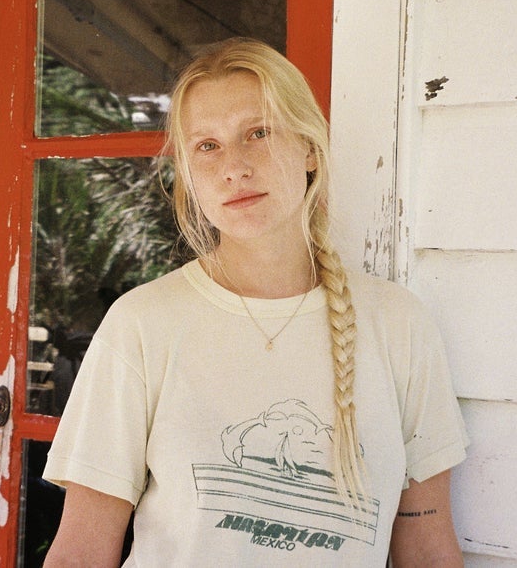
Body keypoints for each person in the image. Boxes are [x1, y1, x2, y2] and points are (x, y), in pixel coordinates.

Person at [42, 38, 469, 566]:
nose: (234, 167)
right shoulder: (141, 324)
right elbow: (80, 553)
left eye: (258, 133)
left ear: (309, 148)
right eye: (207, 146)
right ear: (190, 175)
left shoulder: (397, 323)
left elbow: (427, 548)